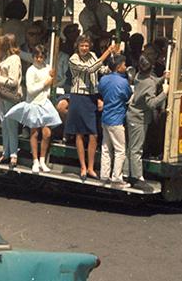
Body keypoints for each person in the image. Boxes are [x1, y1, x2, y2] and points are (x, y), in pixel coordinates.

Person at [66, 34, 117, 180]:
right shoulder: (73, 59)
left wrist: (113, 63)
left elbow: (101, 70)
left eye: (86, 45)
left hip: (91, 96)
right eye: (82, 45)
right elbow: (90, 69)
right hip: (79, 97)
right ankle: (83, 167)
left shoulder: (93, 55)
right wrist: (107, 52)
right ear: (78, 46)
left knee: (93, 134)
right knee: (80, 133)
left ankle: (91, 167)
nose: (84, 48)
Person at [5, 44, 62, 173]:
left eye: (41, 57)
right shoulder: (30, 70)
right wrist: (45, 83)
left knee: (47, 133)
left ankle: (42, 160)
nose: (39, 59)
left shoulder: (48, 68)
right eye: (37, 57)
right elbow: (31, 90)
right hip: (34, 103)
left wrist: (52, 79)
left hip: (45, 103)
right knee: (35, 133)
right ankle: (35, 161)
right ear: (33, 57)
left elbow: (53, 84)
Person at [126, 48, 170, 191]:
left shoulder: (140, 76)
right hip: (138, 117)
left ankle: (130, 173)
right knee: (136, 149)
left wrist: (163, 78)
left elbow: (151, 81)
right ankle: (136, 178)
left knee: (134, 147)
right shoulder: (148, 83)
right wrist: (164, 93)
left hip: (136, 116)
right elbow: (151, 103)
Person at [98, 54, 132, 187]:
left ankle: (104, 175)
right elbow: (127, 95)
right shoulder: (123, 82)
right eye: (124, 65)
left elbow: (100, 91)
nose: (125, 67)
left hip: (105, 117)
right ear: (118, 67)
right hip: (117, 119)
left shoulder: (104, 79)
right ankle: (117, 178)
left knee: (106, 148)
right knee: (120, 150)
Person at [0, 34, 24, 167]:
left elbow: (13, 81)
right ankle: (6, 152)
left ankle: (13, 155)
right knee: (4, 123)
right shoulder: (6, 58)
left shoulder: (14, 59)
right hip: (2, 95)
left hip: (9, 94)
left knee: (11, 125)